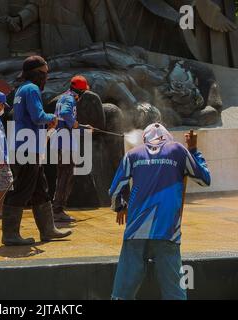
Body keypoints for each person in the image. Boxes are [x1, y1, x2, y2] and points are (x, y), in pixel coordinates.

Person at [109, 123, 211, 300]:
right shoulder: (178, 150)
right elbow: (204, 179)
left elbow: (115, 190)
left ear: (145, 139)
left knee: (122, 295)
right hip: (167, 232)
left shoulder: (132, 154)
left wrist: (120, 206)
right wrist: (194, 149)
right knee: (174, 294)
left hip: (135, 233)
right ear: (167, 137)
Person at [2, 55, 72, 246]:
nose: (47, 77)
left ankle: (48, 230)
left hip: (26, 146)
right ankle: (10, 234)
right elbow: (37, 116)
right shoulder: (32, 89)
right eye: (45, 73)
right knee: (22, 190)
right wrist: (52, 117)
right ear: (37, 73)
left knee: (40, 189)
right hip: (28, 148)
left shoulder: (20, 90)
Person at [52, 75, 92, 223]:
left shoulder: (63, 97)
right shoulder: (70, 99)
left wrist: (83, 128)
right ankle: (58, 209)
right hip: (65, 142)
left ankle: (57, 207)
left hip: (61, 141)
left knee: (62, 174)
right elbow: (65, 115)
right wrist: (76, 124)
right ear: (81, 91)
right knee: (66, 175)